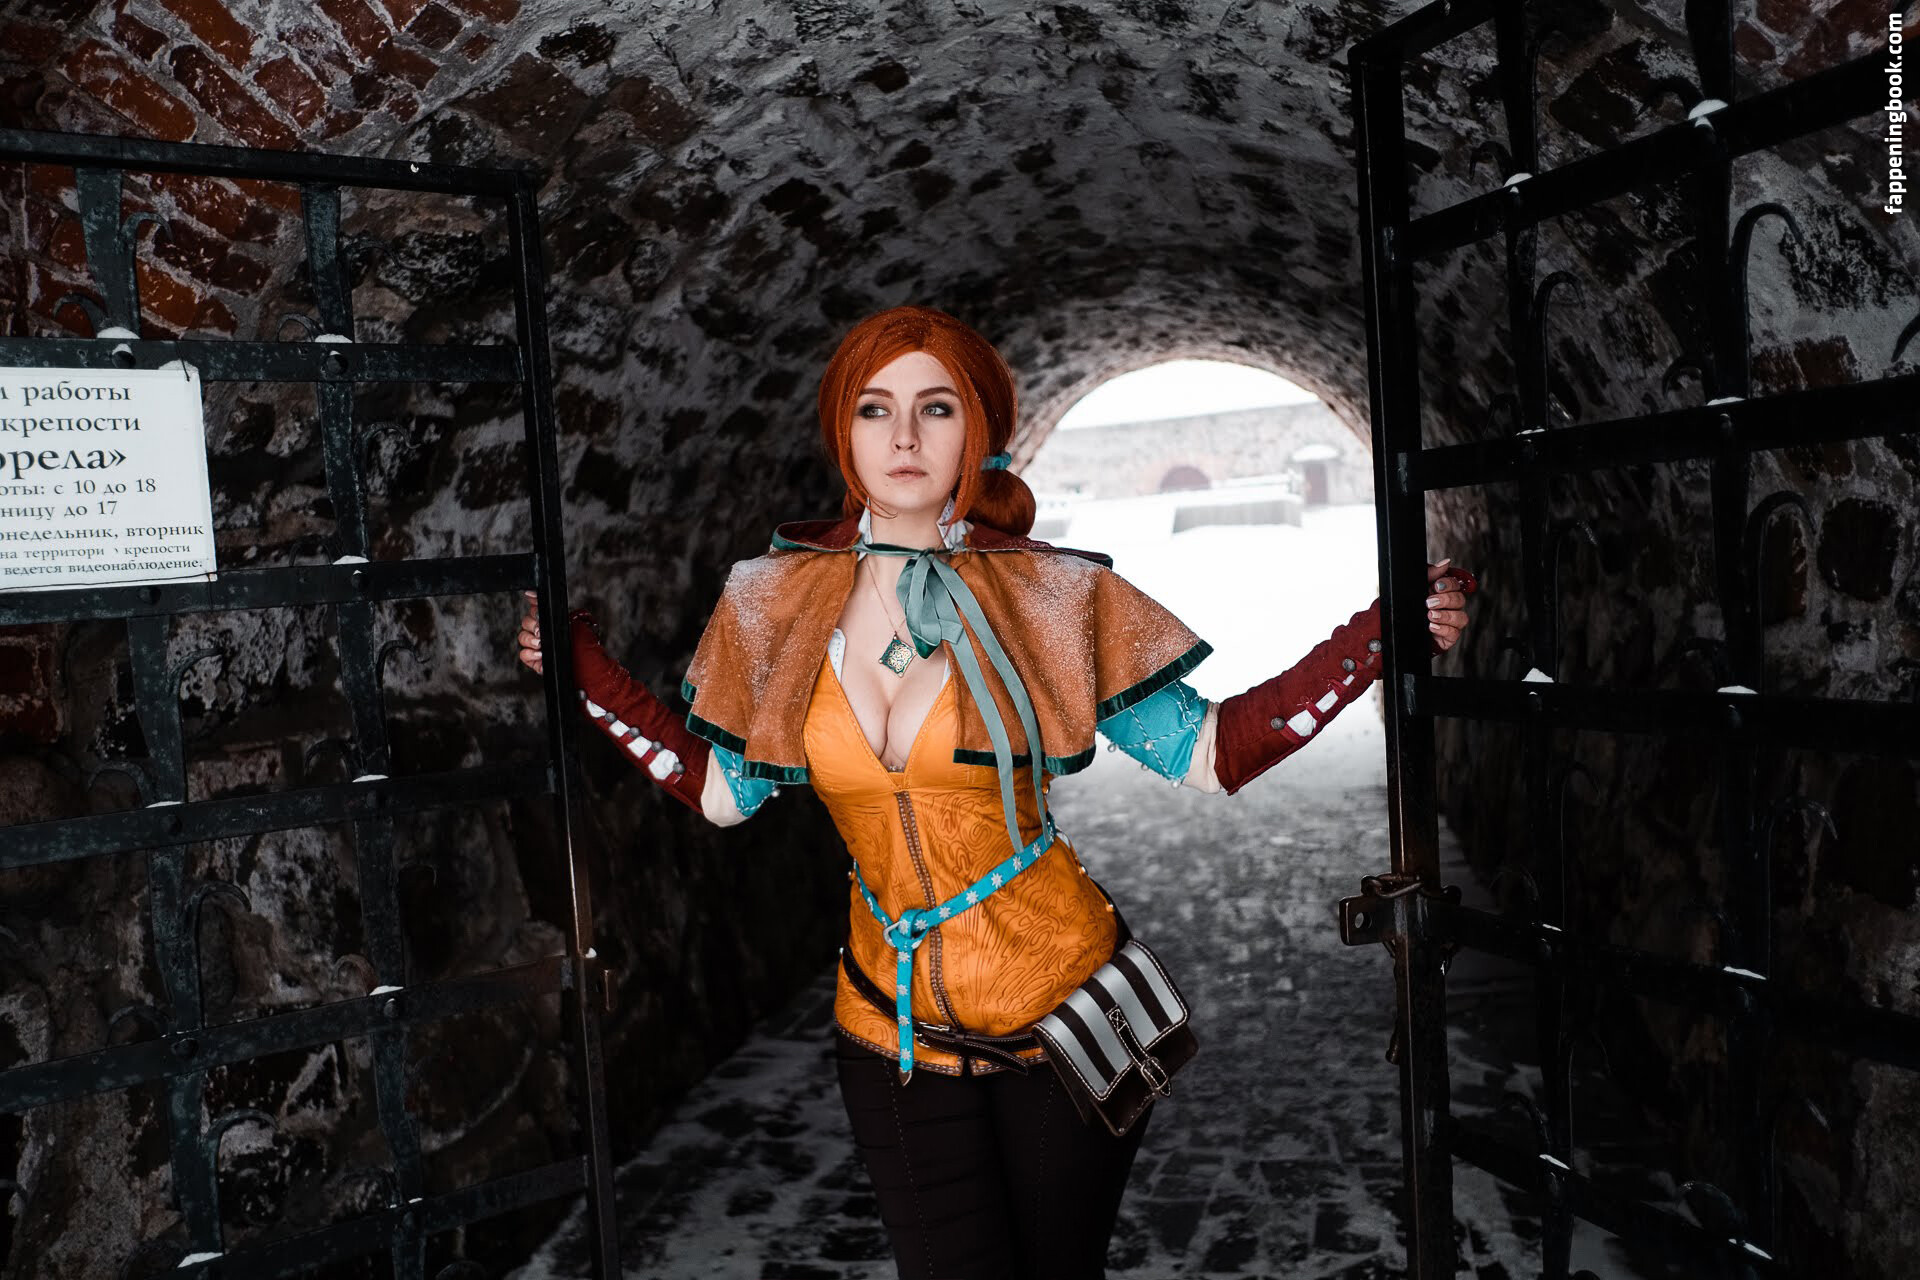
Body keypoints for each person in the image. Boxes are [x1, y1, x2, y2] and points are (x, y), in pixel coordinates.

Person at [512, 305, 1474, 1280]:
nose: (903, 436)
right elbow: (724, 791)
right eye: (874, 408)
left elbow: (1211, 749)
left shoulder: (1048, 596)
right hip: (887, 1026)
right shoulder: (771, 602)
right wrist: (590, 676)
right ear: (842, 430)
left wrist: (1374, 636)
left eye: (936, 408)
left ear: (979, 430)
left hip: (1063, 1013)